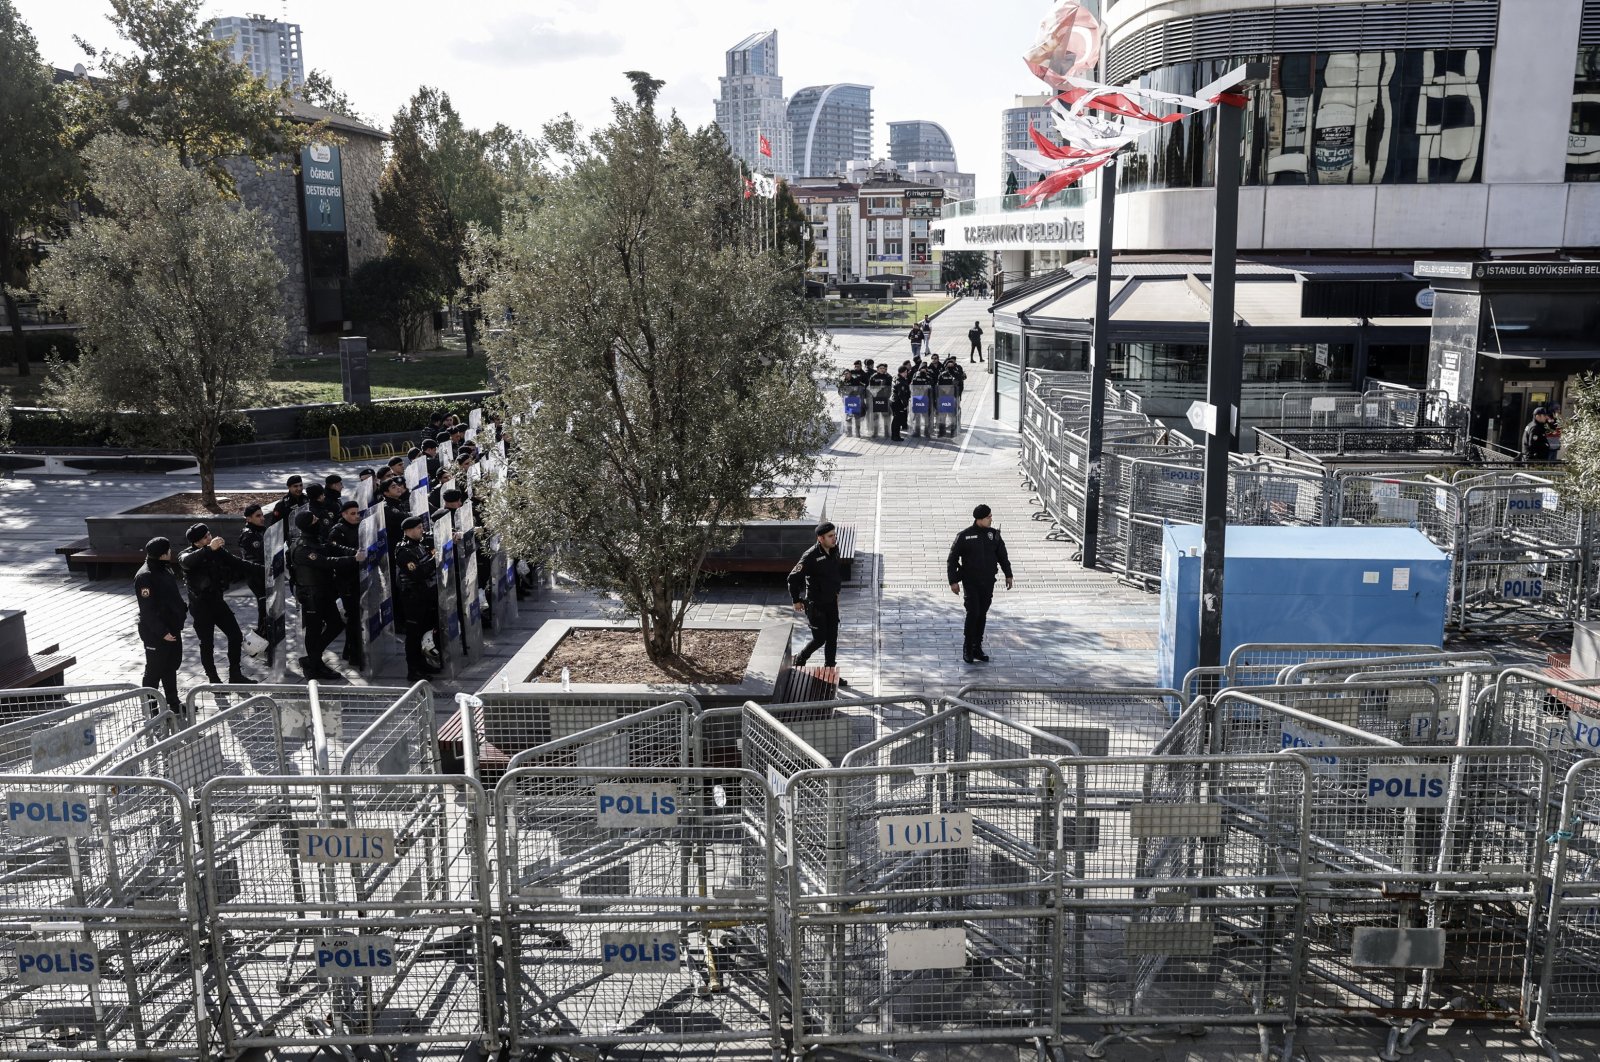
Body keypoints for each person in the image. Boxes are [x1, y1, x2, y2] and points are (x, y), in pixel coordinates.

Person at [178, 522, 262, 685]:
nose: (210, 538)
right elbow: (186, 561)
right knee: (207, 643)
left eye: (209, 534)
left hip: (217, 602)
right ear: (197, 542)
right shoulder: (187, 555)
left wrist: (264, 569)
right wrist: (209, 549)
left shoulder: (217, 551)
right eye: (205, 537)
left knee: (235, 635)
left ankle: (235, 674)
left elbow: (238, 563)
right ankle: (213, 678)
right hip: (201, 607)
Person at [289, 509, 362, 680]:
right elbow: (325, 562)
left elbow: (333, 548)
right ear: (308, 525)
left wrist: (354, 552)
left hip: (325, 591)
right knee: (314, 630)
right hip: (312, 594)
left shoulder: (316, 540)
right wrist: (353, 559)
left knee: (336, 625)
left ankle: (312, 659)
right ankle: (314, 665)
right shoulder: (302, 547)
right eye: (315, 519)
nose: (318, 520)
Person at [947, 504, 1013, 665]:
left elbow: (1002, 556)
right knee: (973, 612)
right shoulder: (964, 536)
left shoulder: (994, 535)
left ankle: (977, 647)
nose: (991, 519)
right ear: (980, 519)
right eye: (988, 517)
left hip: (988, 581)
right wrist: (953, 581)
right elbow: (952, 559)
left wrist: (1008, 574)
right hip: (971, 581)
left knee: (982, 614)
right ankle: (968, 647)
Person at [787, 522, 848, 686]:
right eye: (830, 536)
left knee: (832, 638)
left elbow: (834, 573)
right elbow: (792, 578)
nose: (834, 538)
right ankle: (801, 658)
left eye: (834, 535)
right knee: (820, 638)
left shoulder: (834, 549)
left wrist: (836, 592)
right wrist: (796, 600)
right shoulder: (810, 556)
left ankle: (830, 673)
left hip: (831, 603)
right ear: (820, 539)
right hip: (816, 605)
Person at [134, 537, 187, 716]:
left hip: (172, 629)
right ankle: (151, 710)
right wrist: (162, 632)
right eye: (169, 550)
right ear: (164, 554)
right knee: (154, 672)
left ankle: (174, 703)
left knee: (170, 667)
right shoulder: (145, 576)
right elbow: (147, 611)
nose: (171, 552)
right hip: (156, 634)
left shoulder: (165, 569)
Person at [393, 515, 443, 682]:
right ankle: (413, 670)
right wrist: (434, 560)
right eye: (418, 528)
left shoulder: (419, 545)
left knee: (424, 632)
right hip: (412, 598)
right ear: (408, 531)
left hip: (425, 596)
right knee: (414, 636)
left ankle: (423, 664)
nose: (422, 530)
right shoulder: (404, 551)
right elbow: (417, 574)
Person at [327, 499, 368, 670]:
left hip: (359, 575)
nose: (356, 516)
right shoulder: (337, 531)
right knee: (352, 617)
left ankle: (349, 650)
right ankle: (353, 655)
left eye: (357, 513)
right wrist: (355, 553)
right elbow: (336, 549)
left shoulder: (360, 526)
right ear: (343, 514)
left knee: (357, 616)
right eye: (352, 513)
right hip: (346, 579)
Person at [238, 503, 272, 659]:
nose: (262, 518)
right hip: (256, 577)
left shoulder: (261, 530)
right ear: (248, 518)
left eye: (262, 515)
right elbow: (255, 559)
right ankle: (258, 643)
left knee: (267, 610)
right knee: (264, 610)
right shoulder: (248, 535)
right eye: (258, 516)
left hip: (265, 575)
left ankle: (265, 639)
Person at [890, 365, 910, 442]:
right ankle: (895, 436)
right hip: (898, 402)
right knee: (897, 420)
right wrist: (905, 405)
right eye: (905, 372)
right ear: (901, 372)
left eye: (906, 372)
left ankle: (895, 435)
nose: (906, 373)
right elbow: (901, 394)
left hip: (894, 400)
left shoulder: (896, 377)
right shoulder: (900, 382)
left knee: (896, 419)